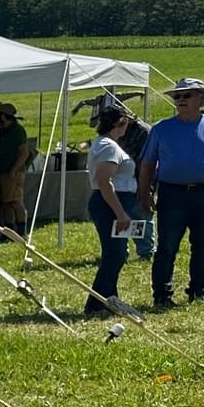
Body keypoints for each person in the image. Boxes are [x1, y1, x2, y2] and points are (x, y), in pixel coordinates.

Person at [136, 76, 204, 308]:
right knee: (167, 246)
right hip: (171, 194)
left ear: (200, 98)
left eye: (186, 95)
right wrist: (144, 193)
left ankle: (197, 290)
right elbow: (147, 164)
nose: (180, 100)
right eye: (177, 96)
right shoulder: (161, 129)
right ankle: (162, 295)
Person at [85, 110, 139, 316]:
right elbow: (104, 181)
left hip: (112, 202)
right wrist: (121, 213)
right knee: (115, 254)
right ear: (120, 124)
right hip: (110, 204)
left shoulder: (104, 144)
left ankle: (110, 299)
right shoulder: (108, 146)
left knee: (117, 252)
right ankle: (96, 302)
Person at [0, 102, 30, 235]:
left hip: (13, 173)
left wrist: (14, 170)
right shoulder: (1, 131)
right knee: (5, 203)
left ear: (4, 116)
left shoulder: (17, 131)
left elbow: (24, 153)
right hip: (1, 172)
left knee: (15, 202)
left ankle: (21, 232)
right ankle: (9, 232)